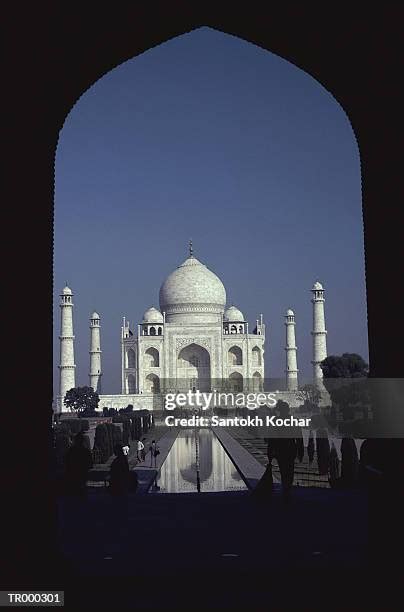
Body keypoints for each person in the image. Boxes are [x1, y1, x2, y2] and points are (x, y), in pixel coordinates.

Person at [267, 401, 300, 503]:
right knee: (290, 469)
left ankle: (285, 488)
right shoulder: (293, 420)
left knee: (283, 470)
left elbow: (271, 439)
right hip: (290, 448)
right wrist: (301, 451)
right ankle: (287, 488)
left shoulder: (276, 420)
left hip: (280, 449)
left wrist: (270, 452)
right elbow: (299, 437)